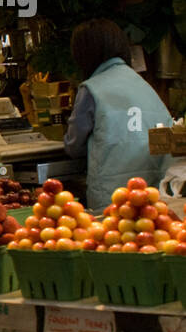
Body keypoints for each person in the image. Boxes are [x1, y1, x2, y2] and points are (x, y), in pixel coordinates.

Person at [64, 19, 173, 207]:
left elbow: (74, 146)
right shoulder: (146, 87)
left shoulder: (92, 89)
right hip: (152, 194)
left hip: (111, 198)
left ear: (83, 54)